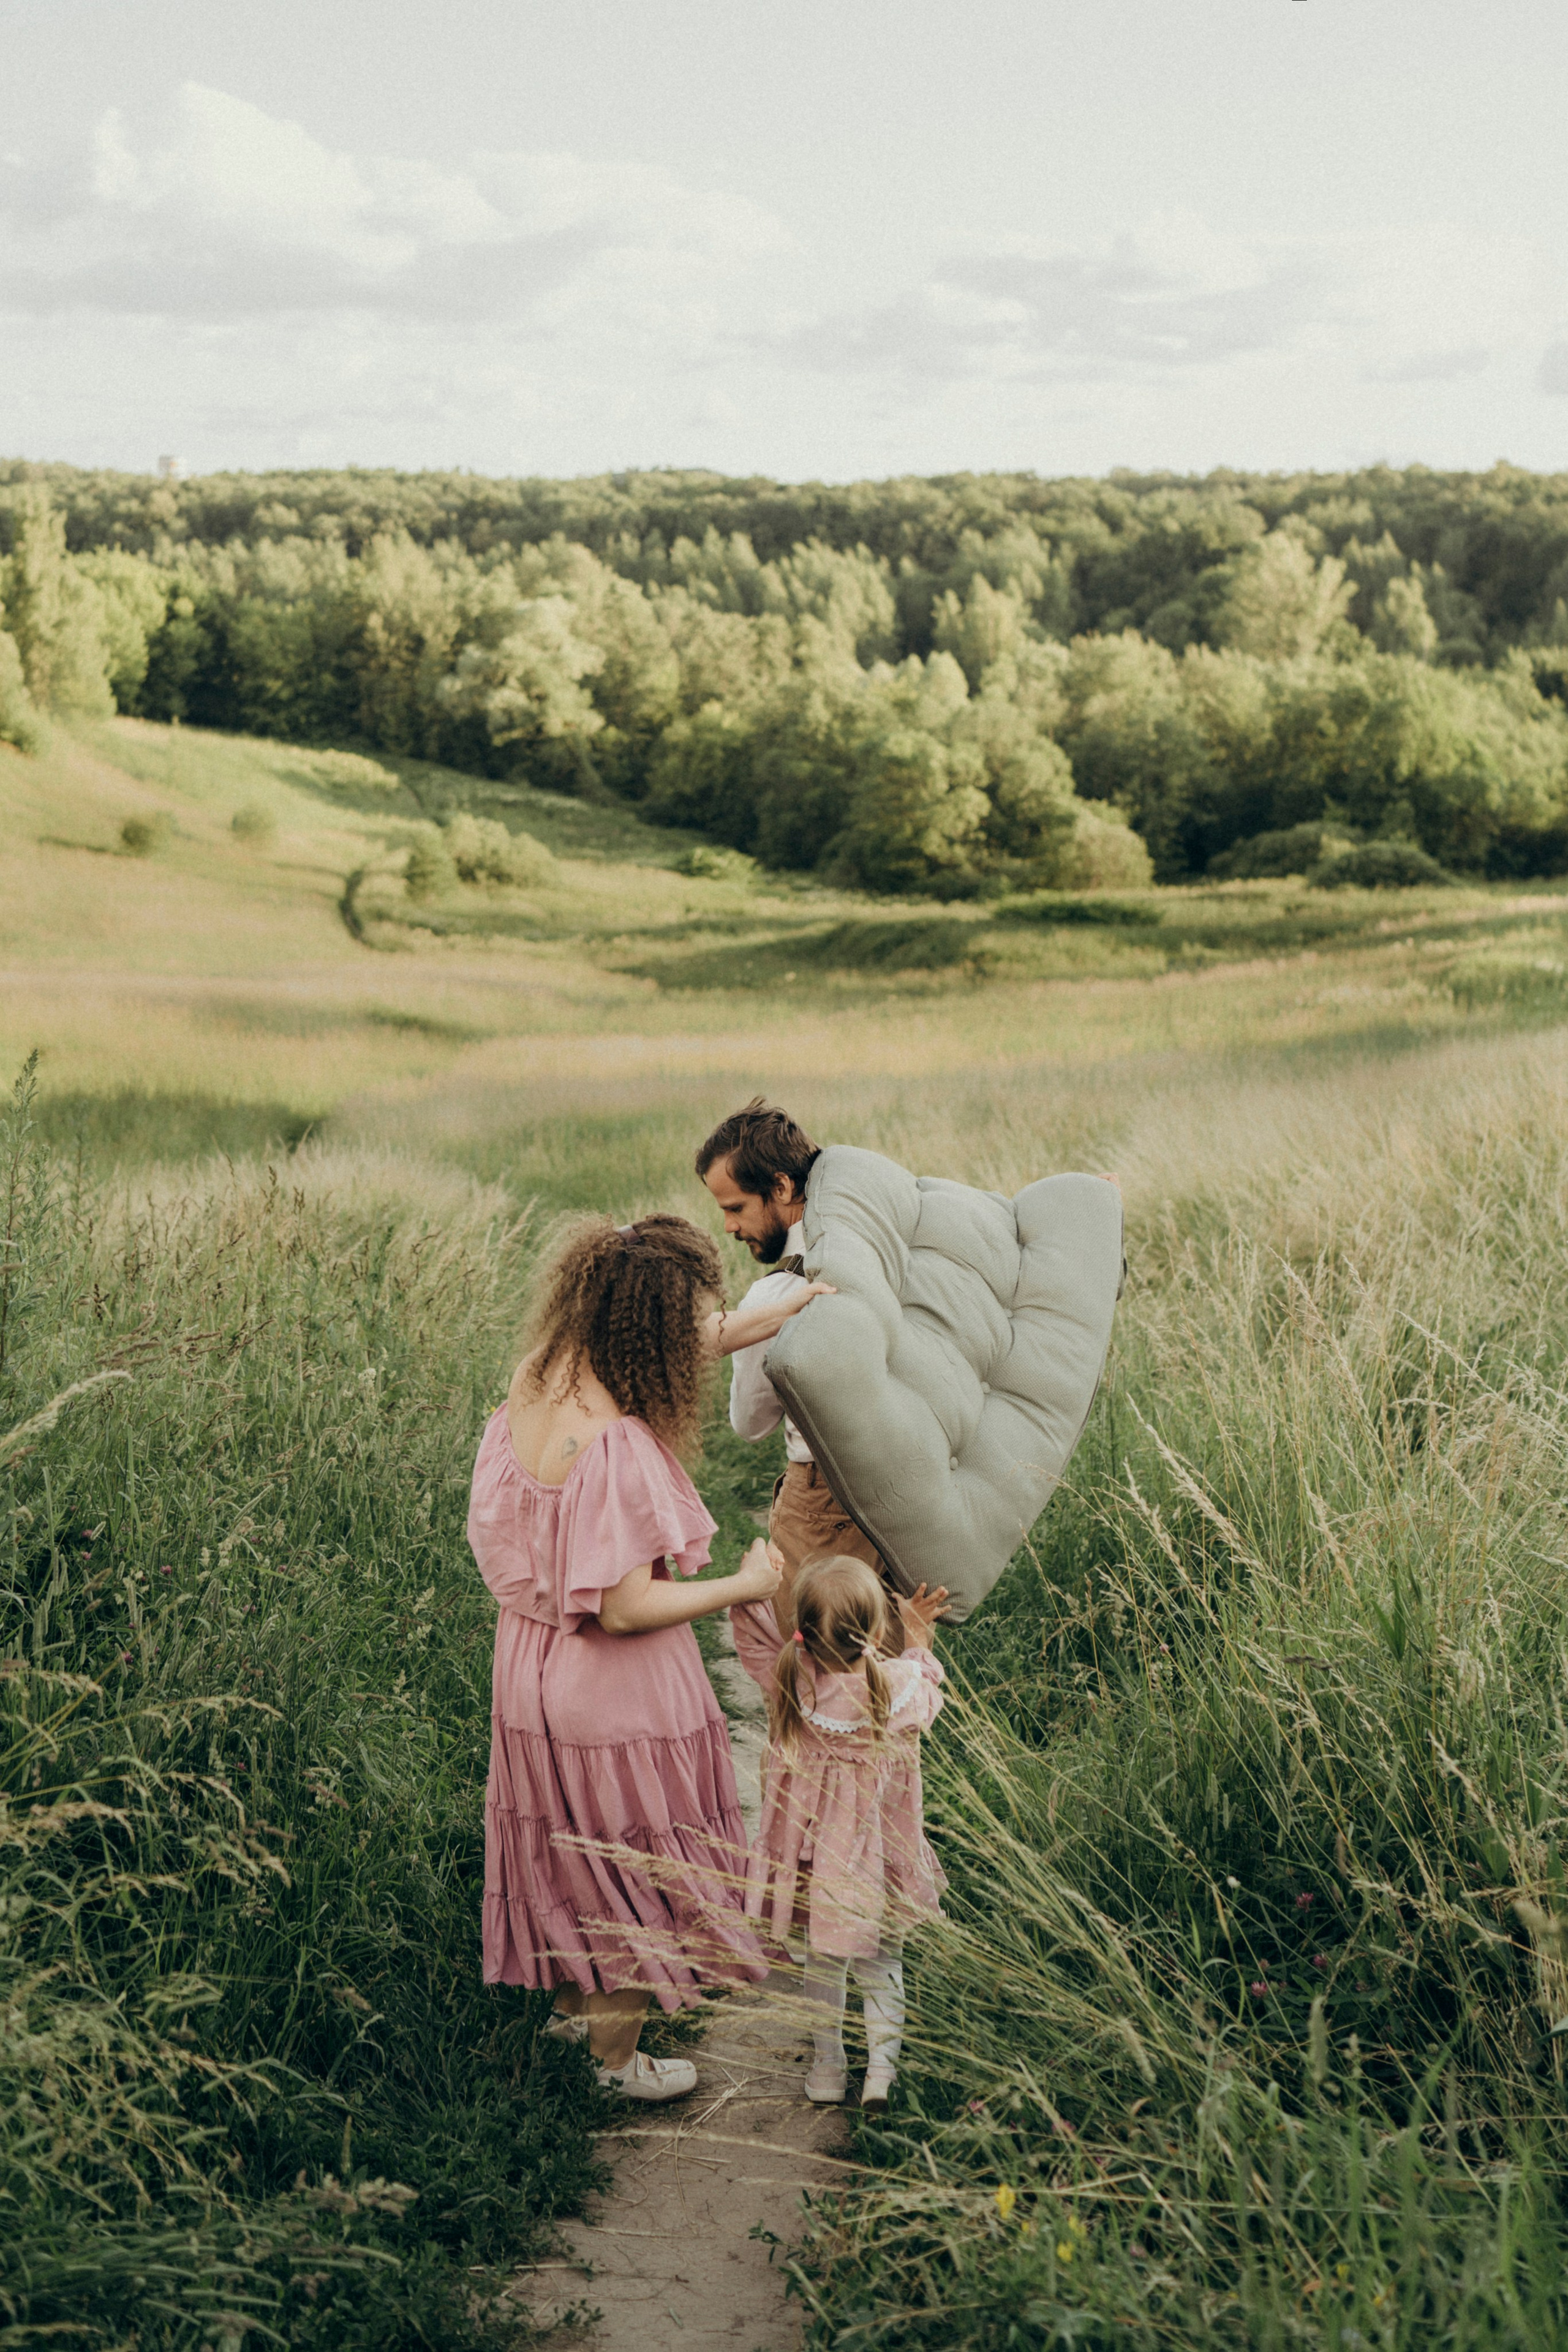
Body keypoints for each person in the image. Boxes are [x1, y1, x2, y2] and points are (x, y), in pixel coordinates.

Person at [467, 1213, 830, 2103]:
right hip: (610, 1687)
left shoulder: (538, 1379)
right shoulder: (621, 1445)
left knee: (565, 1849)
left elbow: (691, 1342)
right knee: (639, 1867)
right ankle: (615, 2065)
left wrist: (776, 1315)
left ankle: (568, 2016)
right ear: (650, 1328)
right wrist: (744, 1587)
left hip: (527, 1668)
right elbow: (626, 1607)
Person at [730, 1555, 949, 2112]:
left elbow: (753, 1639)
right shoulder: (899, 1689)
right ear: (878, 1632)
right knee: (884, 1965)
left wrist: (754, 1588)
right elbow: (926, 1679)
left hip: (816, 1868)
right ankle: (881, 2073)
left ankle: (828, 2068)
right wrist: (919, 1634)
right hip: (880, 1869)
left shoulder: (791, 1682)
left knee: (823, 1966)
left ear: (800, 1633)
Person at [696, 1099, 887, 1604]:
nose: (730, 1228)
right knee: (893, 1658)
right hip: (906, 1483)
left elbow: (751, 1424)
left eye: (735, 1208)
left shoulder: (773, 1298)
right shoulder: (881, 1256)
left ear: (781, 1188)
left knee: (814, 1664)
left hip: (824, 1499)